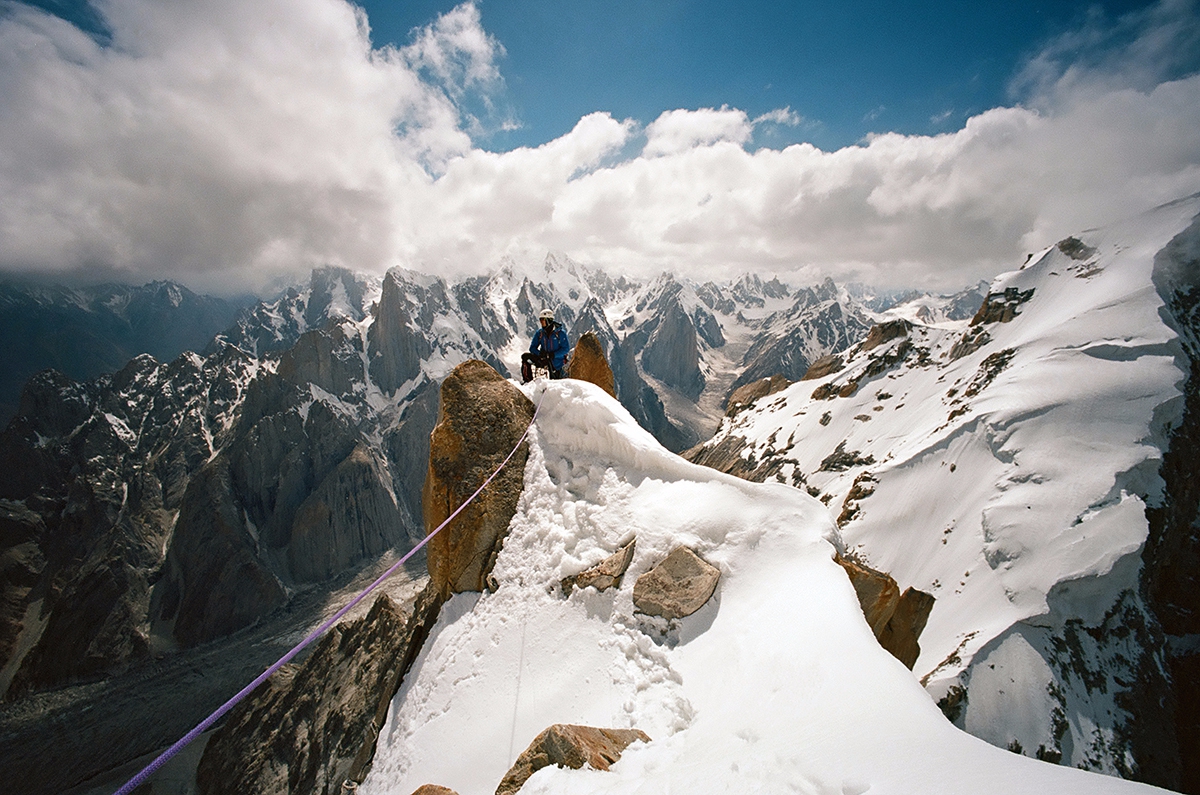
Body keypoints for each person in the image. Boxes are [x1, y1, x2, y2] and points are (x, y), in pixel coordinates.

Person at [522, 308, 570, 383]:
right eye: (541, 320)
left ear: (549, 320)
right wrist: (541, 354)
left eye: (543, 320)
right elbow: (532, 348)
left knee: (554, 380)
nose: (541, 322)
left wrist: (552, 355)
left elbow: (566, 349)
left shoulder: (560, 333)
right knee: (525, 357)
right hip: (544, 359)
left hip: (556, 362)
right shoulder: (540, 333)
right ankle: (528, 382)